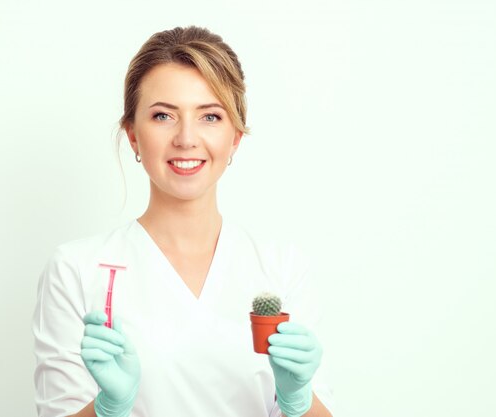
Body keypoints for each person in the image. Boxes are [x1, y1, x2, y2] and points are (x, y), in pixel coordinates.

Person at [33, 26, 335, 417]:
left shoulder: (282, 269)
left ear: (235, 137)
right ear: (133, 136)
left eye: (210, 116)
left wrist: (299, 400)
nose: (187, 138)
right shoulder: (76, 270)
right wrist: (108, 407)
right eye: (163, 116)